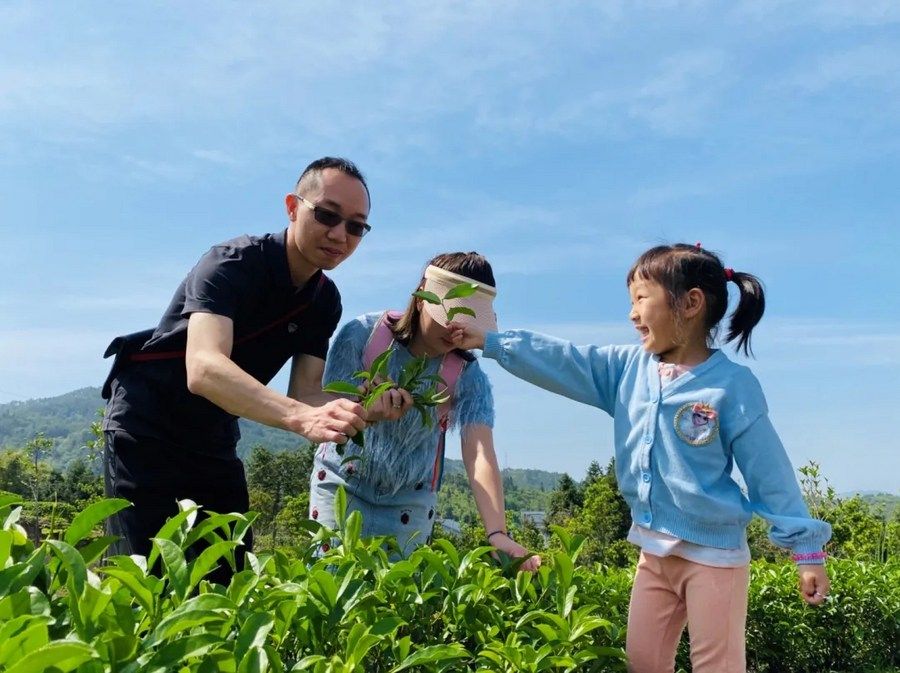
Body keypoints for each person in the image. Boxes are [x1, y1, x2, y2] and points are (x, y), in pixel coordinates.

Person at [449, 243, 831, 673]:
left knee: (717, 666)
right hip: (653, 551)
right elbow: (565, 360)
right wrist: (494, 343)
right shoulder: (627, 369)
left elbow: (769, 471)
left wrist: (807, 553)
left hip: (714, 558)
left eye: (641, 300)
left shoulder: (731, 386)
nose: (632, 314)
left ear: (690, 303)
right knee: (643, 662)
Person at [101, 157, 402, 582]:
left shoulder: (323, 301)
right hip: (147, 429)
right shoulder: (231, 263)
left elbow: (306, 393)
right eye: (327, 215)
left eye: (356, 226)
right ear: (293, 207)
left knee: (230, 583)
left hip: (214, 440)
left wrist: (365, 406)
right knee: (148, 583)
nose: (340, 235)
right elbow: (204, 368)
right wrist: (301, 418)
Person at [309, 252, 540, 570]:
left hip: (410, 502)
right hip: (342, 484)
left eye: (468, 322)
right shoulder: (362, 335)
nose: (455, 331)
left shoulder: (467, 376)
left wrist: (497, 532)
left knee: (397, 603)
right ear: (420, 297)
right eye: (447, 314)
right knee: (331, 582)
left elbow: (480, 453)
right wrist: (368, 410)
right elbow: (326, 410)